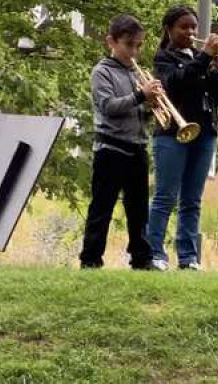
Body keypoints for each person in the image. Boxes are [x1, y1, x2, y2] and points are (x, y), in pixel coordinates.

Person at [146, 5, 218, 271]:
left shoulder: (200, 58)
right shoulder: (163, 59)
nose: (191, 32)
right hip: (172, 134)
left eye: (194, 27)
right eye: (184, 27)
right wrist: (205, 57)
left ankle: (189, 257)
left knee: (192, 200)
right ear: (169, 30)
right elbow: (176, 83)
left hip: (204, 134)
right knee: (165, 197)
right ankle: (154, 253)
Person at [79, 14, 162, 270]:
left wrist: (152, 105)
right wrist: (140, 96)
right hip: (110, 148)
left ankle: (142, 258)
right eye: (129, 45)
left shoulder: (136, 74)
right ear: (111, 42)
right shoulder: (101, 72)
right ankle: (91, 259)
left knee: (138, 209)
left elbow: (139, 113)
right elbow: (108, 106)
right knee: (102, 207)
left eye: (139, 45)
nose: (134, 52)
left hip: (137, 147)